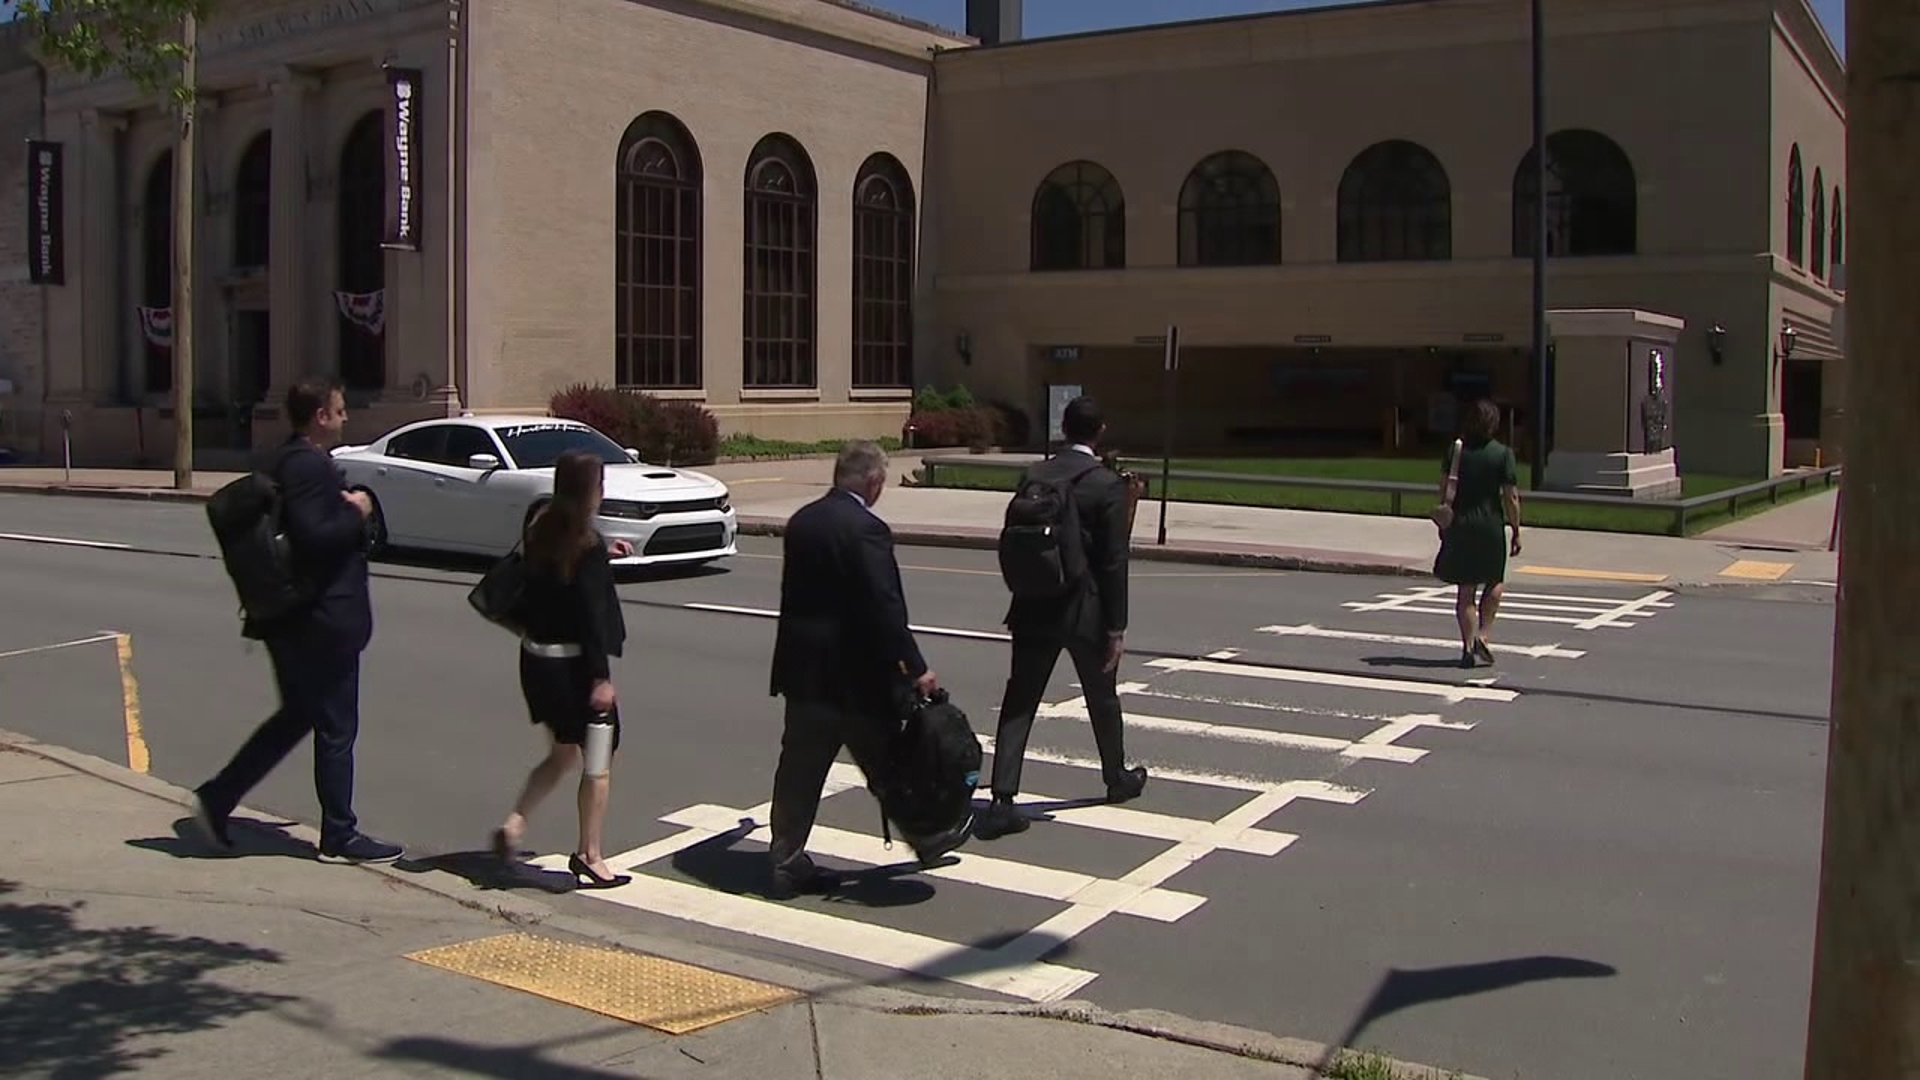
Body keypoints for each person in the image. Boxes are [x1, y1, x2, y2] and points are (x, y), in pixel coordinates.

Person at [192, 377, 401, 863]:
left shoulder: (283, 459)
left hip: (291, 615)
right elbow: (314, 536)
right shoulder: (308, 466)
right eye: (340, 410)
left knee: (299, 717)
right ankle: (339, 835)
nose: (346, 417)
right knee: (335, 726)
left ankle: (218, 797)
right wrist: (358, 510)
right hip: (321, 620)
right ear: (320, 416)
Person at [765, 440, 967, 899]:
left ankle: (784, 859)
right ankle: (928, 837)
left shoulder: (803, 522)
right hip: (857, 679)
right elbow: (884, 608)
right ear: (873, 481)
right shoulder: (868, 530)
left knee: (798, 769)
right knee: (890, 765)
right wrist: (915, 667)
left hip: (805, 673)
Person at [977, 395, 1147, 841]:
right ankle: (1116, 777)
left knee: (1020, 699)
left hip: (1033, 602)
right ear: (1100, 431)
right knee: (1101, 695)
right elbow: (1113, 561)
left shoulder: (1035, 475)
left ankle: (1002, 797)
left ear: (1064, 429)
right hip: (1083, 607)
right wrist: (1117, 626)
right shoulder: (1106, 484)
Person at [490, 451, 637, 888]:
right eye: (600, 484)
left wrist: (603, 549)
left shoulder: (540, 529)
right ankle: (590, 854)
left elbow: (559, 569)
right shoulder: (586, 548)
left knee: (560, 753)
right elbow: (593, 619)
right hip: (576, 671)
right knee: (598, 764)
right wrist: (601, 679)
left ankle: (515, 823)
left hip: (536, 661)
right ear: (590, 491)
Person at [1433, 398, 1524, 668]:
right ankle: (1484, 634)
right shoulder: (1503, 454)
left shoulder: (1456, 451)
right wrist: (1516, 529)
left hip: (1460, 525)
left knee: (1466, 589)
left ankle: (1467, 646)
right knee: (1494, 581)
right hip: (1490, 526)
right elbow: (1511, 497)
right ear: (1494, 423)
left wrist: (1443, 523)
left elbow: (1443, 489)